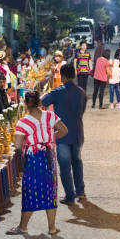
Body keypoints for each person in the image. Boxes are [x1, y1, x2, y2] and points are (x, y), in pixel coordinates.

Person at [6, 91, 68, 235]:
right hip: (49, 157)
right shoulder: (50, 116)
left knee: (30, 191)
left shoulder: (23, 122)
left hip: (34, 159)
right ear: (39, 101)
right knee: (50, 191)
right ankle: (52, 227)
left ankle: (23, 227)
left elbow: (17, 145)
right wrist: (50, 138)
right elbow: (64, 130)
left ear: (26, 104)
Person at [41, 64, 87, 205]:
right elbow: (82, 110)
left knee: (65, 166)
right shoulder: (81, 92)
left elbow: (41, 101)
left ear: (63, 76)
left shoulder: (57, 92)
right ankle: (80, 191)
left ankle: (70, 196)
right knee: (77, 163)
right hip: (78, 132)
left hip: (63, 135)